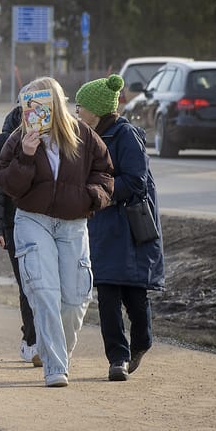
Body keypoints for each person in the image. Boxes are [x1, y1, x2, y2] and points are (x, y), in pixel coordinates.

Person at [0, 76, 114, 388]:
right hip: (33, 220)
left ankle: (59, 351)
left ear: (57, 102)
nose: (35, 110)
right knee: (44, 293)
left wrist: (88, 196)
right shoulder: (19, 138)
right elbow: (8, 185)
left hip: (73, 222)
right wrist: (25, 154)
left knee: (76, 299)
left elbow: (104, 172)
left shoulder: (82, 134)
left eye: (42, 102)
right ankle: (55, 366)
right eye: (29, 104)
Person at [76, 74, 165, 381]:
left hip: (128, 227)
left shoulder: (125, 135)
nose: (76, 112)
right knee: (108, 295)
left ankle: (142, 342)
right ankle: (117, 359)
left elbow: (137, 181)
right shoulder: (85, 136)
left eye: (80, 107)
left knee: (135, 296)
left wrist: (103, 192)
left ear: (96, 111)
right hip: (101, 227)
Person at [0, 105, 39, 366]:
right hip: (15, 224)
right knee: (29, 284)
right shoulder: (4, 141)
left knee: (50, 287)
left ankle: (48, 340)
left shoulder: (61, 135)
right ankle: (32, 341)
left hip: (52, 223)